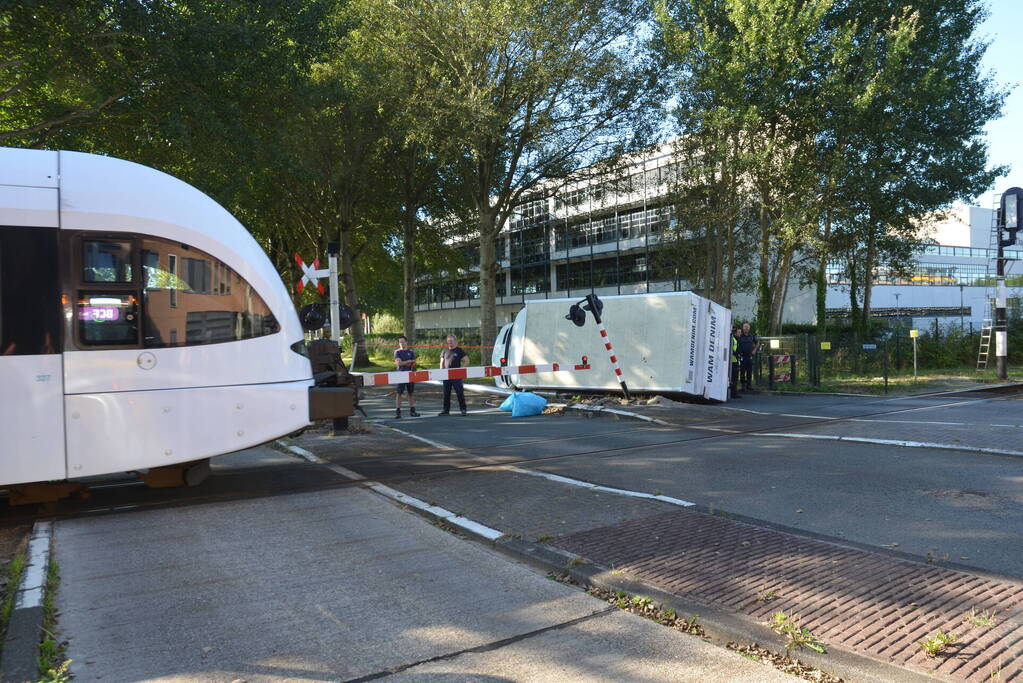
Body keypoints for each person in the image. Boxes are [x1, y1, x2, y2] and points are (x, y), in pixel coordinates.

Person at [439, 334, 468, 416]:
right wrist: (441, 373)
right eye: (448, 341)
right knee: (446, 393)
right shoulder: (444, 351)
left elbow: (466, 360)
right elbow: (441, 363)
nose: (450, 342)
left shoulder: (459, 350)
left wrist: (461, 370)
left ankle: (463, 409)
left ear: (455, 341)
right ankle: (446, 410)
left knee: (459, 393)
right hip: (446, 376)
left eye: (451, 341)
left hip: (456, 376)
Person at [393, 335, 419, 418]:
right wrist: (408, 361)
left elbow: (414, 363)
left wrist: (410, 362)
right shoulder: (397, 352)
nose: (401, 343)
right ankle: (398, 412)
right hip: (401, 374)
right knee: (399, 393)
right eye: (400, 342)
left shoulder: (411, 352)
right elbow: (399, 363)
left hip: (410, 374)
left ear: (406, 342)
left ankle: (412, 411)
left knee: (411, 393)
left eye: (402, 342)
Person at [737, 322, 760, 391]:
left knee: (749, 371)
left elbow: (757, 343)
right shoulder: (740, 336)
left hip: (750, 356)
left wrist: (754, 350)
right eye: (745, 327)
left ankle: (749, 385)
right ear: (743, 328)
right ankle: (743, 386)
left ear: (749, 328)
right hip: (742, 357)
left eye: (747, 327)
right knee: (742, 371)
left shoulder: (752, 336)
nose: (746, 328)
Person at [730, 327, 742, 399]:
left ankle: (734, 392)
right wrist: (737, 354)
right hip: (733, 361)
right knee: (734, 378)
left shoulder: (736, 339)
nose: (740, 334)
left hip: (735, 361)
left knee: (734, 378)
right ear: (735, 333)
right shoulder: (733, 340)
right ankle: (734, 393)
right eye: (739, 332)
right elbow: (732, 350)